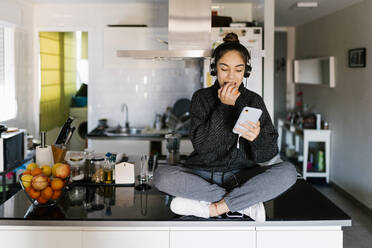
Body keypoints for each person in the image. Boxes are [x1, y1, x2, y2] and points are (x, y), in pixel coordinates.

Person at [153, 33, 297, 222]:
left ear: (246, 71)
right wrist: (223, 106)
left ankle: (215, 207)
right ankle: (242, 202)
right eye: (224, 69)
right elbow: (204, 150)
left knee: (289, 172)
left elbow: (267, 155)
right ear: (214, 69)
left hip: (241, 176)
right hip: (201, 175)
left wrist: (257, 138)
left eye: (238, 70)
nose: (231, 77)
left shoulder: (254, 100)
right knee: (161, 176)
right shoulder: (201, 98)